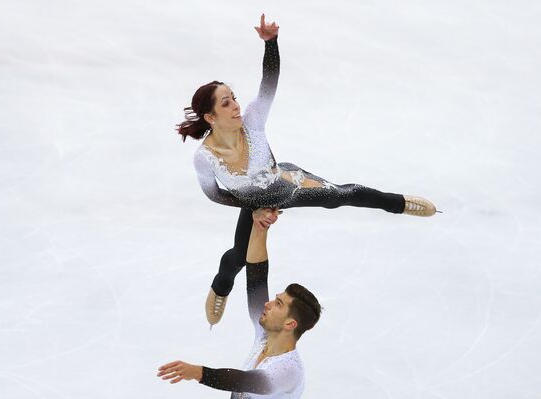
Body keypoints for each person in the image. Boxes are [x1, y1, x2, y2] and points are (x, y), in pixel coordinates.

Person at [176, 14, 437, 325]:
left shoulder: (254, 121)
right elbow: (215, 195)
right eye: (225, 104)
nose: (235, 106)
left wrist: (270, 44)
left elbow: (268, 83)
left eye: (233, 99)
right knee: (238, 259)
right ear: (210, 117)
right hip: (251, 202)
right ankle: (220, 289)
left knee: (341, 195)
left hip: (285, 183)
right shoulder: (204, 157)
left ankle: (400, 203)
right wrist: (255, 209)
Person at [157, 209, 321, 398]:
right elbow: (256, 277)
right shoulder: (266, 337)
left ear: (290, 324)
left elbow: (242, 381)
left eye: (278, 304)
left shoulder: (287, 370)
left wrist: (197, 372)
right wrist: (261, 227)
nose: (267, 304)